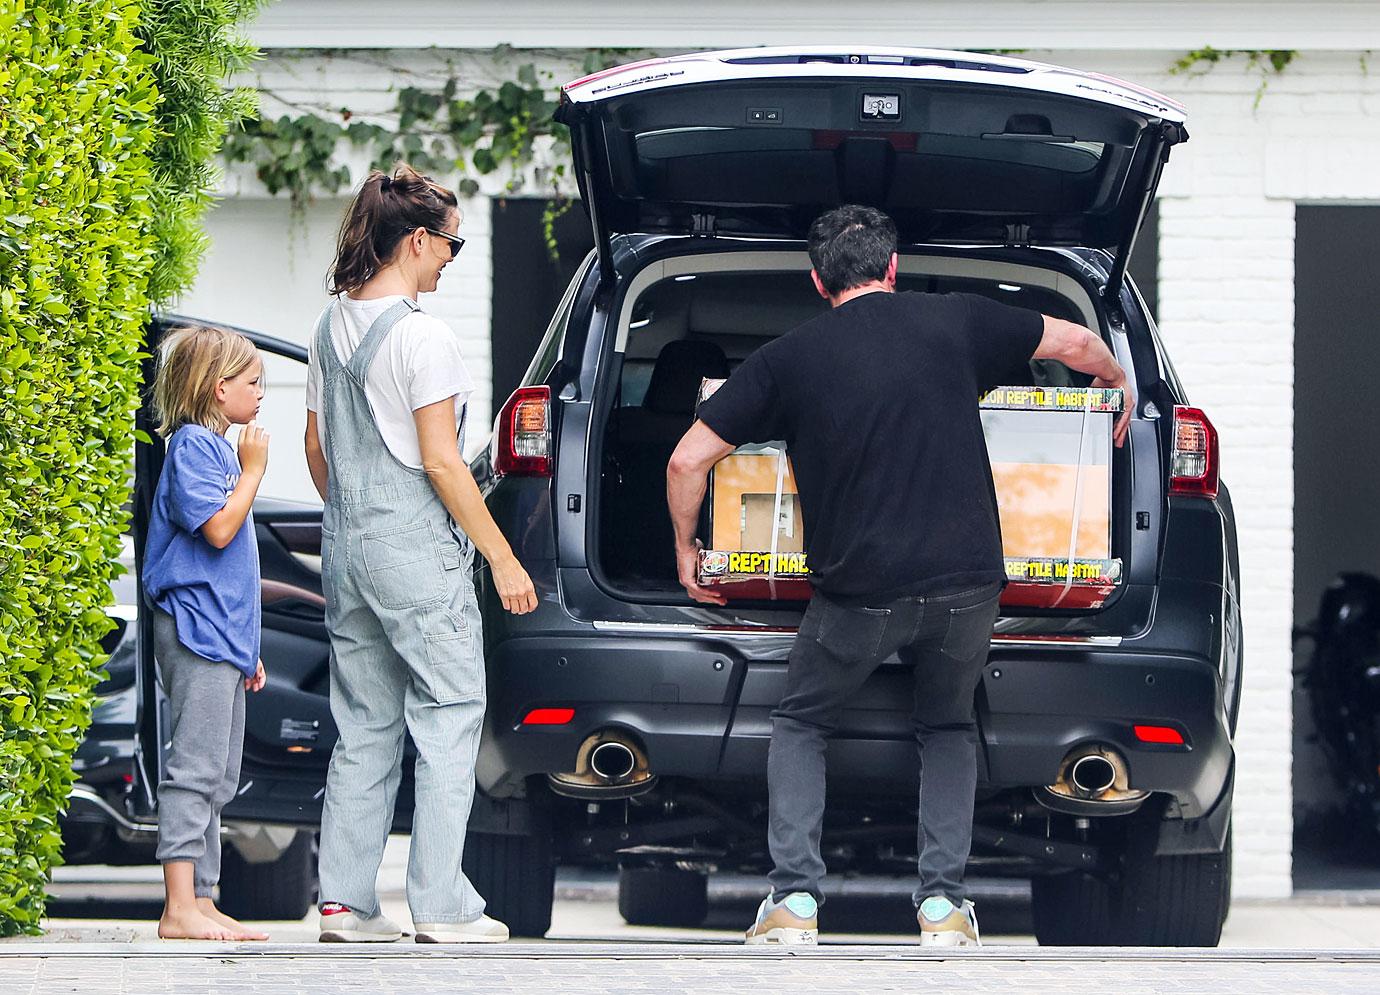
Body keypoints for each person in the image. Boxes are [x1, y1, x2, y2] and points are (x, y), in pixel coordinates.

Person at [666, 205, 1134, 947]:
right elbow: (1076, 341)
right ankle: (944, 910)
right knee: (946, 724)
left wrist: (688, 549)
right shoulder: (957, 322)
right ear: (893, 269)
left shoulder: (788, 359)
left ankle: (794, 905)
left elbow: (688, 459)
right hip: (969, 587)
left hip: (860, 594)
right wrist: (1120, 383)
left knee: (800, 721)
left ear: (819, 281)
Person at [306, 164, 538, 944]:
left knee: (364, 723)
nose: (450, 259)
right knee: (447, 715)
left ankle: (343, 901)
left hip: (348, 547)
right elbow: (442, 462)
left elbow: (318, 447)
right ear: (415, 240)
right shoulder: (421, 335)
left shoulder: (329, 325)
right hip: (413, 549)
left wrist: (353, 519)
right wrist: (502, 557)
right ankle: (441, 904)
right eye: (450, 245)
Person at [144, 325, 272, 941]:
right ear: (219, 389)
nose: (260, 394)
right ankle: (177, 907)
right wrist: (253, 472)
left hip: (221, 636)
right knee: (194, 767)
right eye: (252, 383)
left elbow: (235, 574)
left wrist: (249, 650)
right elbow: (218, 533)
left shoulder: (217, 449)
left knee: (220, 773)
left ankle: (202, 896)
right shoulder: (193, 446)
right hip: (194, 629)